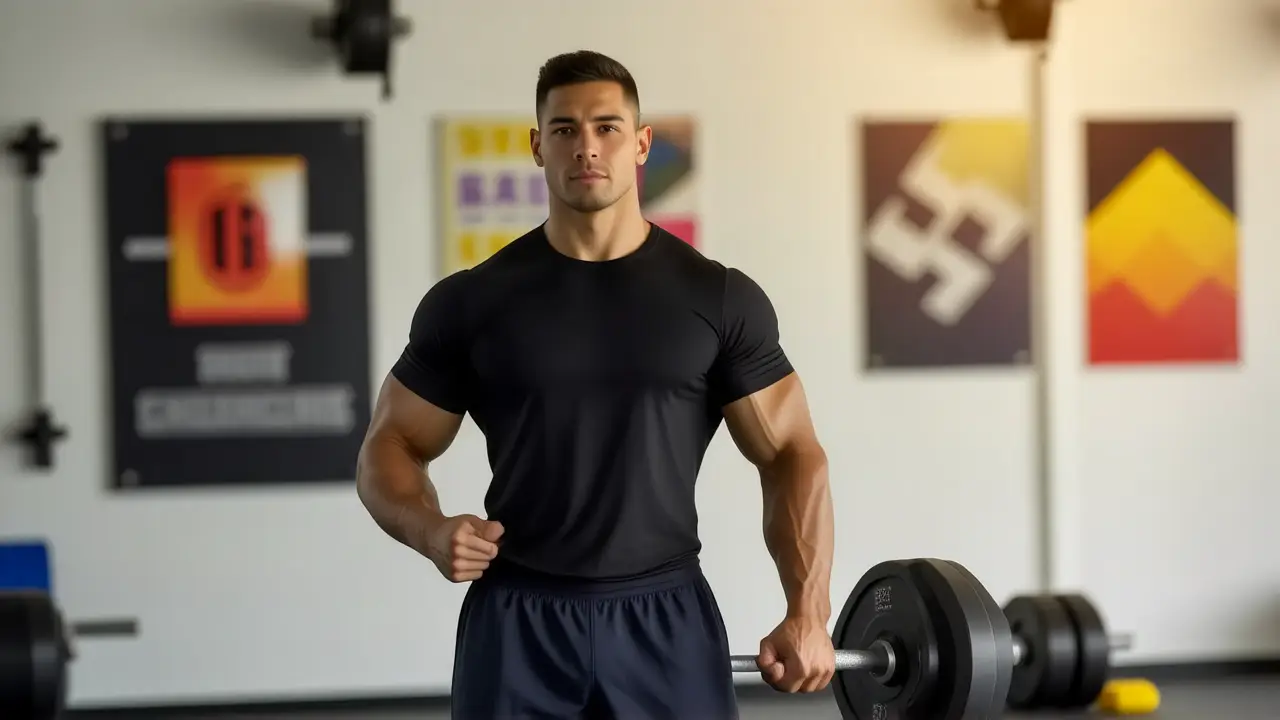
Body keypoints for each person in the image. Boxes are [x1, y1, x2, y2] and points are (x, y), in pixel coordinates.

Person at [356, 49, 836, 719]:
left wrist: (808, 611)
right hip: (518, 618)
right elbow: (390, 444)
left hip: (663, 615)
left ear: (641, 144)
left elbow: (792, 453)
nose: (587, 146)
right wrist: (430, 531)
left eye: (607, 127)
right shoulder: (471, 303)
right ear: (537, 146)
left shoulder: (718, 298)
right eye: (565, 129)